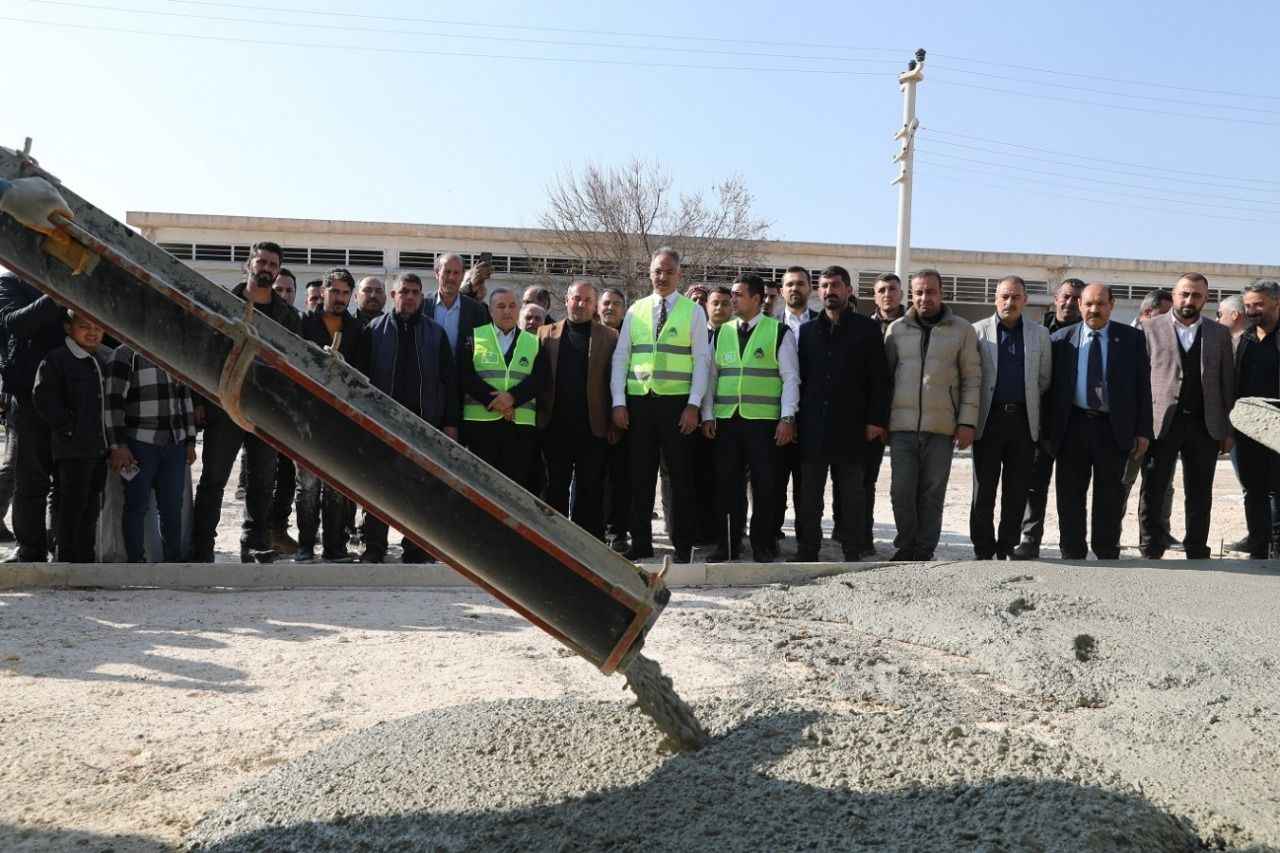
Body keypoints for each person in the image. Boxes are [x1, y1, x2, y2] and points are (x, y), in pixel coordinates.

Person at [192, 241, 302, 563]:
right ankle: (201, 547)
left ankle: (253, 543)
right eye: (262, 261)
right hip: (223, 403)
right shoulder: (224, 304)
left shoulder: (287, 317)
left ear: (278, 270)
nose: (266, 268)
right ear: (249, 264)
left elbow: (291, 368)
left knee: (262, 481)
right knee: (214, 478)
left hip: (263, 411)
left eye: (272, 264)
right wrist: (200, 400)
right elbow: (204, 355)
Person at [610, 247, 712, 563]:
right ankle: (642, 543)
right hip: (639, 405)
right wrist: (618, 402)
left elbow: (701, 361)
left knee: (680, 478)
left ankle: (683, 546)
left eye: (668, 271)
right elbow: (621, 357)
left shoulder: (693, 312)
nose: (662, 277)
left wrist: (694, 405)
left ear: (679, 274)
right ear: (649, 272)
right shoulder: (635, 310)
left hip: (677, 407)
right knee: (639, 477)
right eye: (657, 271)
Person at [355, 273, 459, 563]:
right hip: (382, 424)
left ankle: (415, 548)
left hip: (424, 424)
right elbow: (360, 382)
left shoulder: (436, 334)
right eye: (404, 291)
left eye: (415, 292)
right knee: (379, 487)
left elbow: (449, 383)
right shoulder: (373, 331)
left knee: (419, 489)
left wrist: (450, 425)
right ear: (393, 295)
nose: (410, 297)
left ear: (421, 296)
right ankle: (374, 547)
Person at [1047, 283, 1152, 560]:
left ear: (1111, 305)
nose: (1095, 309)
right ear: (1080, 305)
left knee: (1109, 496)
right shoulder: (1060, 340)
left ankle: (1106, 551)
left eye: (1101, 304)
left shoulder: (1131, 339)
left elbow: (1143, 387)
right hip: (1072, 427)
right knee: (1069, 496)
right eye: (1089, 304)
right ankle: (1072, 551)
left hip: (1113, 428)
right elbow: (1050, 390)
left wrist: (1143, 431)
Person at [792, 266, 889, 562]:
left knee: (851, 497)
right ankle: (808, 551)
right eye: (823, 286)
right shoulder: (806, 332)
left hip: (853, 429)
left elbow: (880, 380)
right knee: (809, 499)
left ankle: (852, 550)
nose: (829, 291)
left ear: (848, 290)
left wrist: (875, 421)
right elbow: (799, 380)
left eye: (835, 285)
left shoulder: (868, 329)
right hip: (812, 430)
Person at [884, 269, 982, 561]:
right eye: (919, 292)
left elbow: (972, 379)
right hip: (901, 428)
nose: (925, 298)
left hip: (941, 428)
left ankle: (924, 549)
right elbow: (885, 379)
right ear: (911, 295)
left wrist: (966, 422)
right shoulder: (896, 329)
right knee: (901, 491)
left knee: (931, 493)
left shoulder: (962, 330)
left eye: (931, 292)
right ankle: (905, 546)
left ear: (941, 293)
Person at [701, 273, 798, 562]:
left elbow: (791, 378)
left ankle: (762, 545)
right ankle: (728, 544)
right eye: (732, 294)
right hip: (727, 422)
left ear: (757, 298)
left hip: (764, 423)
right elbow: (711, 377)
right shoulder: (721, 332)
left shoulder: (779, 332)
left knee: (765, 486)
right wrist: (707, 414)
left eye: (739, 294)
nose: (733, 299)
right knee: (727, 487)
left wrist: (787, 418)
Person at [1138, 273, 1234, 560]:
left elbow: (1227, 383)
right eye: (1184, 294)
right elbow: (1140, 382)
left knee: (1200, 491)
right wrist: (1140, 426)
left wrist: (1228, 429)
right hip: (1161, 423)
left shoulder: (1219, 334)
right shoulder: (1149, 329)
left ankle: (1196, 547)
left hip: (1205, 424)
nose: (1189, 300)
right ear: (1174, 294)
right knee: (1153, 487)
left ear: (1205, 299)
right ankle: (1151, 546)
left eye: (1196, 295)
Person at [970, 276, 1052, 560]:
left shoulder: (1039, 335)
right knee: (984, 490)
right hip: (988, 421)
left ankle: (1006, 546)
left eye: (1016, 297)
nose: (1010, 302)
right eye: (1004, 296)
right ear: (995, 299)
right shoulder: (977, 332)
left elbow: (1044, 379)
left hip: (1022, 422)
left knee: (1016, 491)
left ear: (1025, 300)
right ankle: (982, 548)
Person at [537, 281, 618, 538]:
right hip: (554, 427)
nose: (580, 304)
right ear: (566, 300)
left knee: (590, 489)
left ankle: (588, 543)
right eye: (576, 298)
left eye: (586, 300)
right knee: (555, 488)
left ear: (594, 305)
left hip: (593, 428)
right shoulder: (544, 334)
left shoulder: (609, 337)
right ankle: (555, 539)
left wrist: (614, 421)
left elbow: (614, 381)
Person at [104, 343, 197, 562]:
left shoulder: (174, 351)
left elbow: (185, 397)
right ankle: (136, 562)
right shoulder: (125, 354)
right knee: (137, 505)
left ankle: (173, 563)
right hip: (138, 445)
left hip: (175, 444)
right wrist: (118, 446)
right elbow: (113, 403)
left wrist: (190, 440)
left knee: (172, 506)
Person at [1013, 278, 1085, 559]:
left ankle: (1071, 545)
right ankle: (1030, 541)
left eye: (1075, 298)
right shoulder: (1036, 333)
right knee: (1034, 486)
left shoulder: (1087, 334)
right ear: (1055, 298)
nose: (1069, 303)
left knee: (1072, 489)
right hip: (1039, 423)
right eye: (1065, 297)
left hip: (1074, 425)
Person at [295, 268, 362, 562]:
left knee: (336, 487)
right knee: (307, 486)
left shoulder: (356, 328)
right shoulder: (303, 323)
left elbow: (363, 374)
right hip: (307, 417)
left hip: (341, 419)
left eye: (346, 293)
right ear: (322, 291)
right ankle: (305, 546)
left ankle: (335, 548)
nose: (340, 298)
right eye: (335, 292)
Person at [32, 311, 109, 563]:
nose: (92, 332)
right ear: (68, 328)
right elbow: (43, 399)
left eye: (97, 327)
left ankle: (84, 561)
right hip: (72, 450)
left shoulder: (101, 359)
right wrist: (69, 428)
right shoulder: (57, 360)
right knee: (71, 508)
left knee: (90, 508)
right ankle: (66, 561)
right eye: (84, 326)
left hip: (98, 449)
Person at [0, 272, 66, 562]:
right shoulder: (11, 283)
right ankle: (30, 548)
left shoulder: (75, 280)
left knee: (70, 480)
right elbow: (17, 323)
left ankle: (63, 545)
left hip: (73, 397)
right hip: (28, 399)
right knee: (29, 480)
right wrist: (61, 293)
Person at [460, 288, 547, 490]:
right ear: (490, 311)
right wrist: (496, 403)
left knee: (514, 489)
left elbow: (539, 379)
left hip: (519, 429)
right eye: (501, 306)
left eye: (512, 306)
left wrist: (512, 398)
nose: (507, 311)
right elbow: (465, 376)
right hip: (481, 427)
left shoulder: (533, 342)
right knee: (481, 487)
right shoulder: (473, 337)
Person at [1232, 279, 1280, 558]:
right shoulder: (1245, 339)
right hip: (1247, 426)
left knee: (1278, 489)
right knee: (1253, 489)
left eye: (1258, 304)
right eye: (1248, 305)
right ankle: (1258, 546)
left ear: (1276, 302)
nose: (1251, 310)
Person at [775, 266, 819, 546]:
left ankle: (807, 542)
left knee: (808, 487)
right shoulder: (768, 325)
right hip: (777, 416)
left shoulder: (823, 324)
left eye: (800, 284)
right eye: (789, 284)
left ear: (810, 289)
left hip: (813, 418)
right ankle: (772, 535)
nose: (795, 289)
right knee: (774, 482)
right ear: (781, 291)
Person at [862, 272, 905, 557]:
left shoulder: (914, 325)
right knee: (865, 480)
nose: (887, 294)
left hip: (906, 413)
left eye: (892, 289)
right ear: (874, 295)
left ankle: (908, 540)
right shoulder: (864, 327)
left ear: (901, 294)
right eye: (881, 290)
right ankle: (862, 535)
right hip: (872, 416)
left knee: (904, 484)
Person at [597, 287, 630, 551]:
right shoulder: (591, 335)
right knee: (598, 478)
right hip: (596, 420)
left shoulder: (630, 336)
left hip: (627, 419)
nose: (610, 307)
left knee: (623, 478)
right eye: (606, 303)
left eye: (616, 303)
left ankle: (619, 531)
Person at [423, 253, 491, 357]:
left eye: (456, 273)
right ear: (437, 273)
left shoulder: (477, 311)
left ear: (462, 275)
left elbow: (484, 353)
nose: (451, 277)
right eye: (447, 272)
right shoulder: (421, 306)